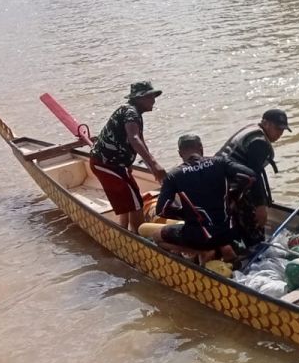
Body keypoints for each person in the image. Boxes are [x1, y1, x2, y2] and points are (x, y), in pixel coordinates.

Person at [144, 134, 260, 260]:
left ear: (180, 153)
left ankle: (201, 252)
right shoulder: (220, 162)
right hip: (229, 233)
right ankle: (225, 252)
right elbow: (250, 176)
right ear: (201, 148)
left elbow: (162, 210)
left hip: (200, 237)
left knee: (156, 236)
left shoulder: (174, 175)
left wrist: (186, 214)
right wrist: (233, 196)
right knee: (216, 228)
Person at [90, 81, 168, 231]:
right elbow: (134, 139)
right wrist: (154, 164)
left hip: (118, 165)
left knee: (130, 199)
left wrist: (152, 167)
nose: (153, 100)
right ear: (139, 99)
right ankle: (138, 236)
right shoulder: (131, 113)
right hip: (105, 164)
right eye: (150, 97)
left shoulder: (133, 113)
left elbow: (140, 140)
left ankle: (124, 229)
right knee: (136, 203)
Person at [216, 109, 292, 245]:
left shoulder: (252, 130)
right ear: (265, 123)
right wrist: (260, 206)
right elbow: (254, 174)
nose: (280, 134)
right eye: (277, 129)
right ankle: (252, 248)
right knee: (254, 225)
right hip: (227, 183)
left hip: (221, 178)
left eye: (282, 130)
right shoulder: (259, 142)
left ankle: (237, 240)